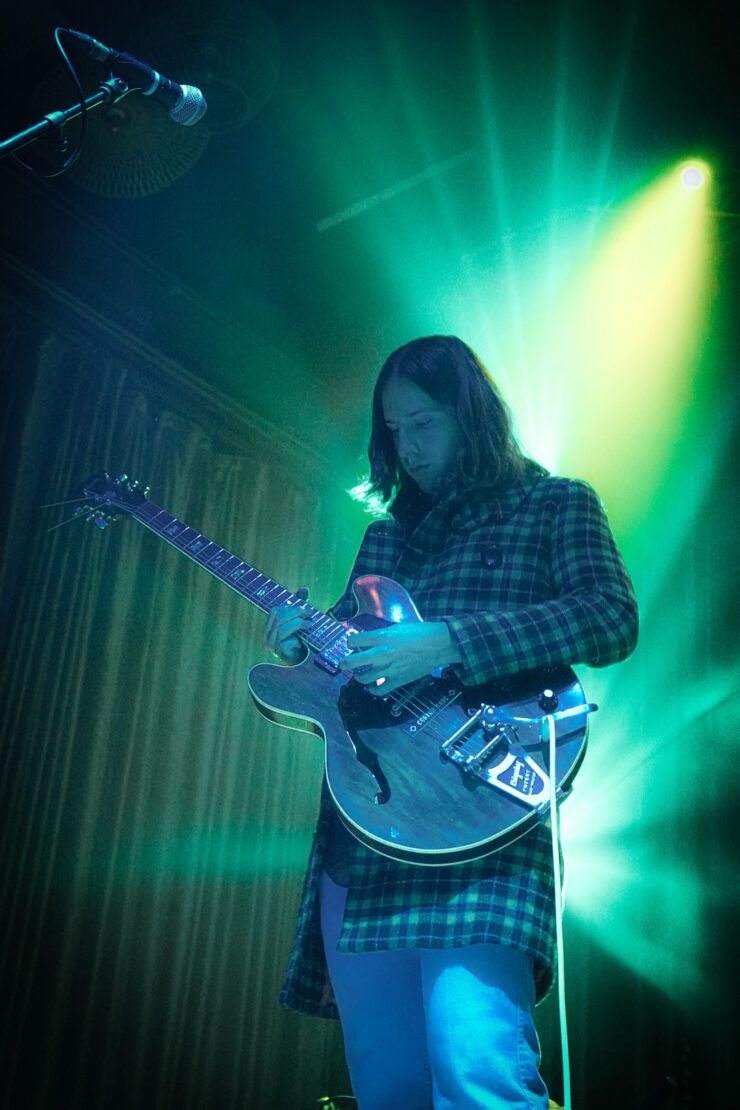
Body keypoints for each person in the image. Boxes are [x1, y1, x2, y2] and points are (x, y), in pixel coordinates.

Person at [264, 335, 638, 1109]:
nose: (407, 447)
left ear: (471, 414)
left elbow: (610, 617)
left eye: (424, 423)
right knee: (387, 1083)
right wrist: (304, 646)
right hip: (371, 826)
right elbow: (350, 670)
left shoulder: (555, 502)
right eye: (393, 429)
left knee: (477, 1069)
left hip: (483, 816)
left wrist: (452, 642)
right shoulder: (385, 535)